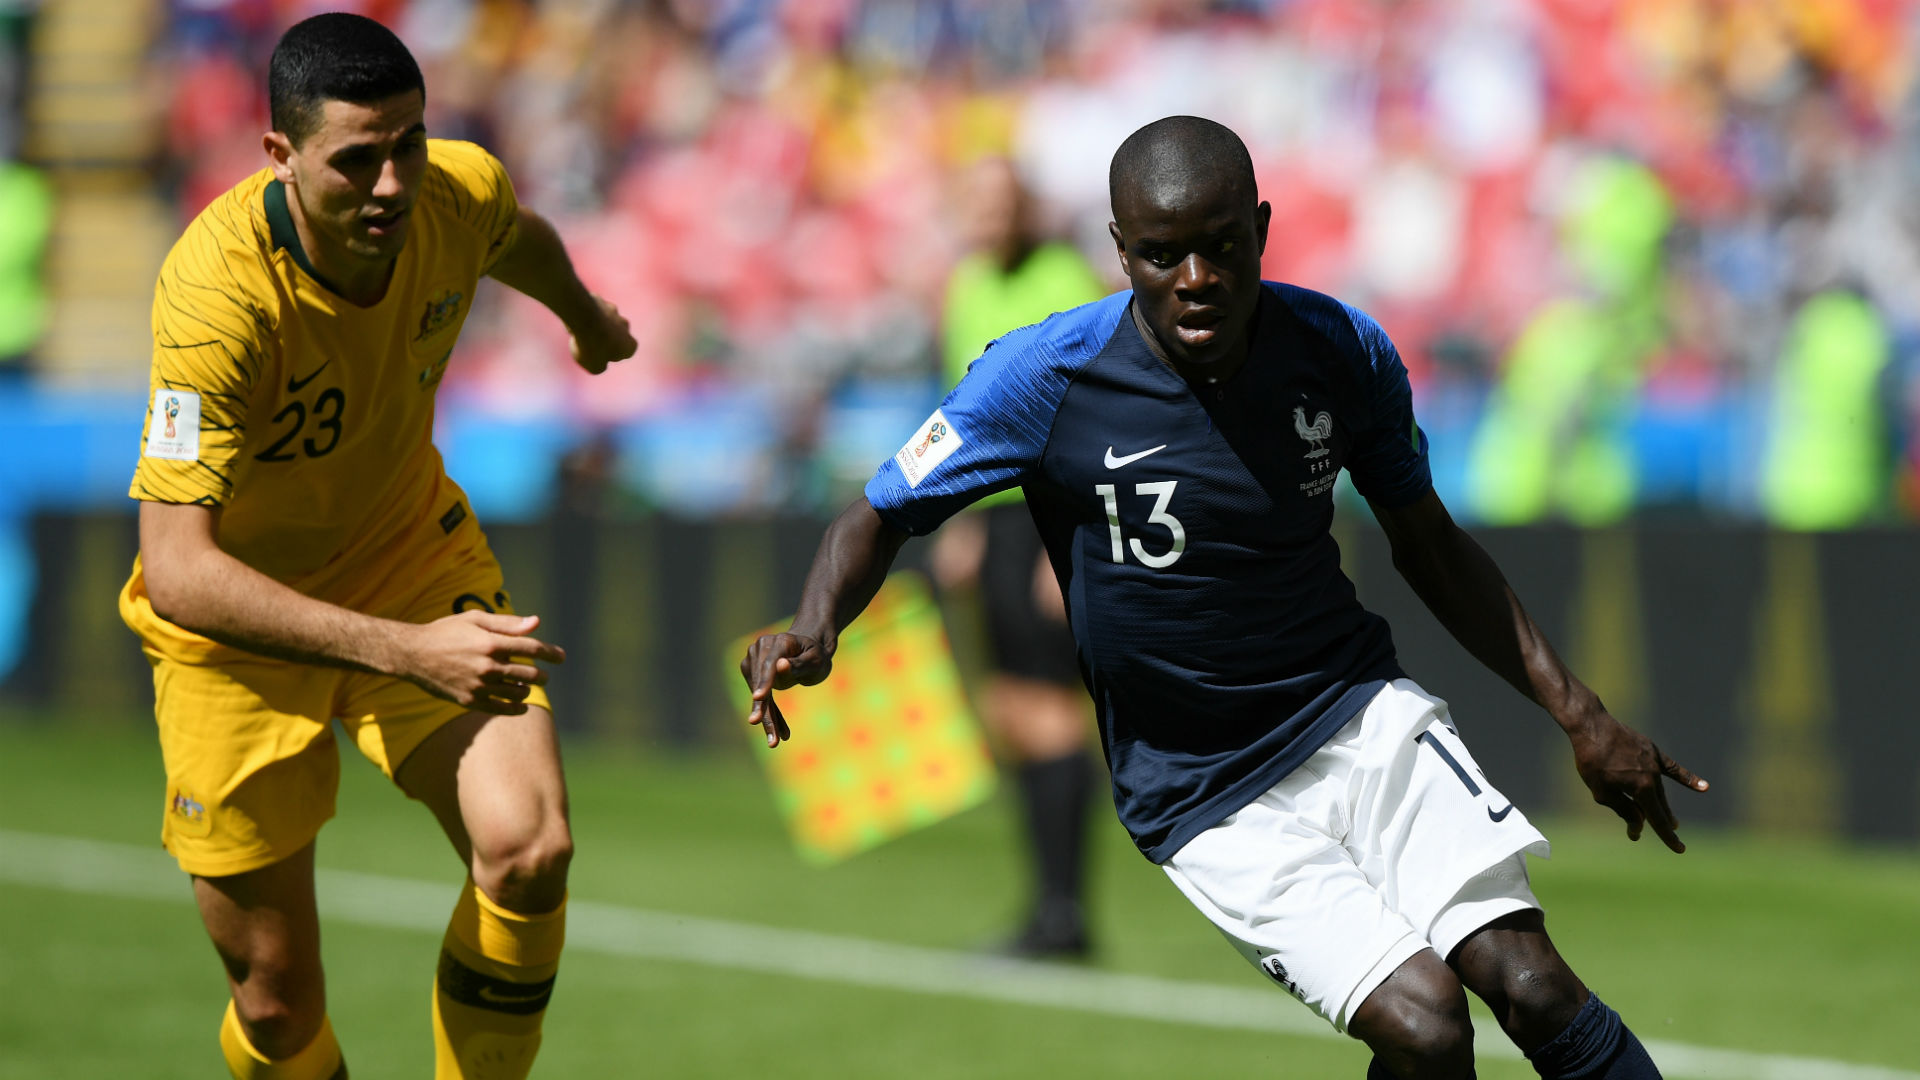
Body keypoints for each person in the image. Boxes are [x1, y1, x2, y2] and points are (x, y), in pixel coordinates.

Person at [742, 116, 1707, 1079]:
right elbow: (879, 512)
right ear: (1121, 251)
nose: (1196, 278)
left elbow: (1430, 544)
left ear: (1263, 228)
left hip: (1356, 713)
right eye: (1162, 255)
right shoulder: (1042, 375)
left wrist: (1581, 715)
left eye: (1222, 245)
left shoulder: (1340, 349)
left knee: (1534, 987)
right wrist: (816, 625)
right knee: (1426, 1024)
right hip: (1201, 787)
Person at [119, 14, 635, 1079]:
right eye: (357, 159)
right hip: (237, 628)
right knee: (275, 1008)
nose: (392, 183)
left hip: (408, 559)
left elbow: (517, 237)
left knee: (529, 848)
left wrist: (585, 318)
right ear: (281, 154)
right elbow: (177, 570)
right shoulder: (214, 298)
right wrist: (404, 651)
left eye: (409, 144)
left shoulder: (456, 190)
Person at [930, 155, 1106, 956]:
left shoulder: (1063, 276)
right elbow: (964, 413)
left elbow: (1093, 407)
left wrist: (1067, 536)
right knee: (1008, 708)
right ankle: (1043, 911)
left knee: (1050, 710)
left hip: (1052, 512)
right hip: (998, 518)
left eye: (1001, 202)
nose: (989, 218)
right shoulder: (965, 285)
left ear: (1026, 207)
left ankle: (1065, 915)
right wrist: (961, 520)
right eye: (975, 203)